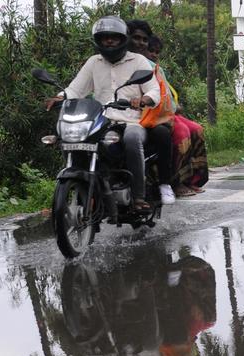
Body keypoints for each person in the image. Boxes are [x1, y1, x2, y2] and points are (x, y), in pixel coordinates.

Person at [47, 16, 161, 212]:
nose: (109, 41)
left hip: (131, 121)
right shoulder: (94, 62)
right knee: (72, 138)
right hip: (100, 121)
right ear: (98, 40)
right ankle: (87, 187)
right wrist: (60, 97)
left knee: (133, 139)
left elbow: (154, 91)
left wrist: (143, 100)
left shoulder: (138, 61)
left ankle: (138, 197)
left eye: (113, 37)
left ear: (122, 39)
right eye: (104, 37)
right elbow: (76, 89)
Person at [147, 35, 209, 196]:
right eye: (151, 51)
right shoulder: (140, 66)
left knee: (197, 129)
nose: (153, 54)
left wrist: (175, 107)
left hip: (168, 112)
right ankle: (175, 182)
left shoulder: (158, 69)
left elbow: (166, 93)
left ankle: (192, 179)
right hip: (153, 115)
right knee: (182, 134)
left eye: (156, 52)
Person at [127, 19, 177, 205]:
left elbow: (158, 93)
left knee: (162, 133)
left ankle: (165, 183)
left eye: (144, 39)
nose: (140, 43)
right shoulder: (107, 60)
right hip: (115, 117)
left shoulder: (151, 66)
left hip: (146, 118)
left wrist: (145, 100)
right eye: (136, 38)